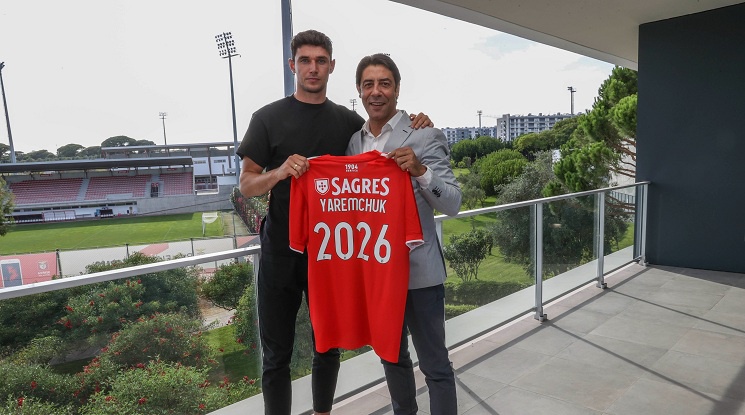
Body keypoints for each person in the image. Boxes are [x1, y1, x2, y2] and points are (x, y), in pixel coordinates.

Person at [236, 30, 432, 415]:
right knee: (276, 353)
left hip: (332, 253)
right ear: (292, 65)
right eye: (305, 61)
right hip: (280, 252)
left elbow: (383, 137)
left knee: (328, 345)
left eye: (321, 61)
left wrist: (418, 121)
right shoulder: (267, 118)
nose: (313, 68)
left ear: (332, 67)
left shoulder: (348, 122)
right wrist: (279, 173)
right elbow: (246, 184)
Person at [346, 53, 462, 415]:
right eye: (368, 84)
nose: (376, 91)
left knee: (435, 366)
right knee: (392, 361)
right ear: (359, 91)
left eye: (384, 83)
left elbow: (453, 203)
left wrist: (421, 171)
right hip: (377, 275)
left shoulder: (425, 134)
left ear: (397, 89)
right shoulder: (354, 143)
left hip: (419, 275)